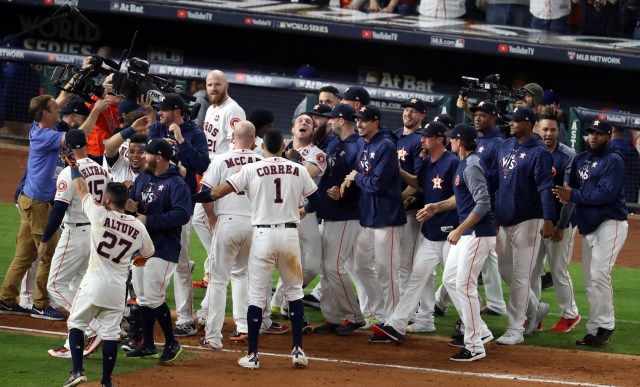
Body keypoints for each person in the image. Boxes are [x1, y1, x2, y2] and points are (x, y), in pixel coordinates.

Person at [206, 129, 320, 369]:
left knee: (256, 295)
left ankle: (253, 355)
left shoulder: (252, 168)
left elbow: (216, 192)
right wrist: (300, 212)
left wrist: (193, 196)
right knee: (295, 293)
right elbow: (316, 201)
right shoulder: (297, 168)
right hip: (290, 236)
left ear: (263, 146)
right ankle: (298, 350)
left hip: (263, 235)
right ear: (282, 146)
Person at [62, 169, 153, 387]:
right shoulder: (138, 226)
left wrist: (73, 166)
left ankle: (77, 371)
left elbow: (81, 188)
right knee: (111, 335)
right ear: (125, 201)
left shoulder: (99, 215)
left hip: (93, 283)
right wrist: (139, 259)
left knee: (76, 323)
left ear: (107, 199)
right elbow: (148, 252)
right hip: (117, 289)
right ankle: (106, 381)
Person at [372, 121, 458, 343]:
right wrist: (400, 171)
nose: (422, 139)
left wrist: (436, 207)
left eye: (427, 136)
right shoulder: (428, 162)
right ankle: (398, 324)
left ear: (440, 139)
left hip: (450, 234)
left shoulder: (453, 163)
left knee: (455, 283)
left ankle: (475, 328)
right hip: (430, 233)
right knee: (416, 276)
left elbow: (461, 197)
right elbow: (421, 184)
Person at [0, 94, 82, 320]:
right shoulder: (46, 136)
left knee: (24, 255)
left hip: (30, 200)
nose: (60, 110)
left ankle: (6, 299)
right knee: (50, 254)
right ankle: (40, 304)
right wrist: (95, 112)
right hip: (37, 205)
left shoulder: (38, 127)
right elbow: (76, 137)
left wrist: (74, 82)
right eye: (55, 109)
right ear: (45, 113)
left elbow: (60, 99)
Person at [553, 119, 628, 347]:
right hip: (588, 226)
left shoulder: (613, 161)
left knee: (599, 274)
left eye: (599, 134)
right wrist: (567, 209)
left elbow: (604, 194)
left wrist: (573, 196)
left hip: (610, 223)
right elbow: (571, 189)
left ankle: (607, 324)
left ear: (609, 136)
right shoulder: (581, 159)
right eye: (591, 133)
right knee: (589, 280)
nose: (593, 137)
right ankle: (595, 329)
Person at [40, 129, 110, 359]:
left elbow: (59, 209)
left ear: (67, 148)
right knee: (78, 286)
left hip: (75, 233)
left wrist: (43, 240)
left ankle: (93, 330)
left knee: (56, 285)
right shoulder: (101, 169)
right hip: (95, 232)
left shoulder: (69, 173)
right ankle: (74, 341)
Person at [124, 138, 191, 363]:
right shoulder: (143, 177)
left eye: (147, 153)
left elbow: (182, 215)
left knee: (153, 296)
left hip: (162, 250)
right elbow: (134, 204)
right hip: (141, 250)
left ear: (158, 157)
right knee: (142, 296)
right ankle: (148, 345)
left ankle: (172, 342)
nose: (142, 156)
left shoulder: (176, 184)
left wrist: (148, 220)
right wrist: (128, 205)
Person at [149, 93, 210, 337]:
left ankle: (185, 319)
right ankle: (145, 308)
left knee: (181, 262)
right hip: (153, 201)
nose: (158, 113)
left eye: (162, 109)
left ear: (177, 110)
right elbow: (153, 161)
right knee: (145, 257)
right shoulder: (155, 128)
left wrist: (181, 141)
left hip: (181, 204)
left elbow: (202, 165)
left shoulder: (195, 134)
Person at [494, 106, 556, 346]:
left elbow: (545, 188)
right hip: (506, 217)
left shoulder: (539, 153)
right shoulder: (506, 146)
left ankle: (515, 328)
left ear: (529, 124)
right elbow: (500, 183)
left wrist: (549, 219)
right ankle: (535, 307)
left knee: (521, 276)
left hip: (529, 219)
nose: (511, 123)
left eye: (516, 121)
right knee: (504, 269)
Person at [343, 105, 406, 327]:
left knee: (387, 272)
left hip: (387, 218)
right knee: (360, 266)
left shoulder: (386, 146)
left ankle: (394, 321)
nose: (359, 124)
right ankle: (378, 313)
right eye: (357, 120)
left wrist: (356, 177)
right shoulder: (363, 143)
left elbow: (378, 184)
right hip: (368, 218)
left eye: (363, 120)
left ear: (376, 122)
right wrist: (349, 179)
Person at [193, 70, 245, 322]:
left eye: (217, 84)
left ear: (227, 85)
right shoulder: (212, 108)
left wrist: (223, 181)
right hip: (211, 172)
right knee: (199, 220)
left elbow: (233, 149)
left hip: (222, 178)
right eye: (209, 84)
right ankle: (213, 262)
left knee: (208, 225)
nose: (213, 88)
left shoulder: (232, 110)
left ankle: (214, 267)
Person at [312, 103, 369, 334]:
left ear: (341, 120)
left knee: (334, 266)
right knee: (326, 269)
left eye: (332, 118)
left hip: (346, 213)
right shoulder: (338, 144)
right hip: (330, 213)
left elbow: (361, 176)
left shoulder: (356, 145)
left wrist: (344, 191)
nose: (329, 121)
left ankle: (354, 315)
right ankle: (333, 316)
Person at [271, 113, 326, 324]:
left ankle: (282, 297)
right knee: (279, 260)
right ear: (293, 129)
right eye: (300, 121)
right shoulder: (278, 146)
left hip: (305, 214)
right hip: (280, 212)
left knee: (311, 265)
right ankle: (278, 305)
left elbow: (305, 174)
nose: (304, 123)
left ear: (313, 131)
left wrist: (291, 158)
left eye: (309, 123)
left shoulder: (317, 154)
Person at [531, 106, 581, 333]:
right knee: (531, 269)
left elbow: (569, 194)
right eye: (544, 129)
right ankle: (534, 313)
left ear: (558, 131)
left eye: (552, 129)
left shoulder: (568, 156)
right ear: (536, 129)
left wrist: (561, 225)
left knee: (558, 269)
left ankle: (570, 315)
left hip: (561, 221)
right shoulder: (531, 150)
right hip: (534, 220)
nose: (548, 134)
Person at [469, 101, 507, 317]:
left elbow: (500, 181)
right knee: (486, 255)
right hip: (471, 204)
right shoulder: (476, 140)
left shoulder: (498, 143)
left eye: (483, 115)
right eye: (476, 114)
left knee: (469, 252)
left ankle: (439, 300)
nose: (477, 118)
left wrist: (496, 213)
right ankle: (495, 302)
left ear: (493, 118)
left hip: (485, 206)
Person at [395, 98, 426, 298]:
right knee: (397, 262)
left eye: (413, 111)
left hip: (410, 209)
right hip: (394, 208)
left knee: (407, 261)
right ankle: (401, 305)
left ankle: (409, 311)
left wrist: (400, 198)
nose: (408, 113)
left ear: (422, 115)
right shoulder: (396, 135)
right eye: (406, 109)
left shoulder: (421, 139)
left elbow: (419, 180)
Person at [611, 125, 640, 209]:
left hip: (613, 205)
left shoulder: (610, 148)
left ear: (613, 129)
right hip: (630, 204)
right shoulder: (633, 151)